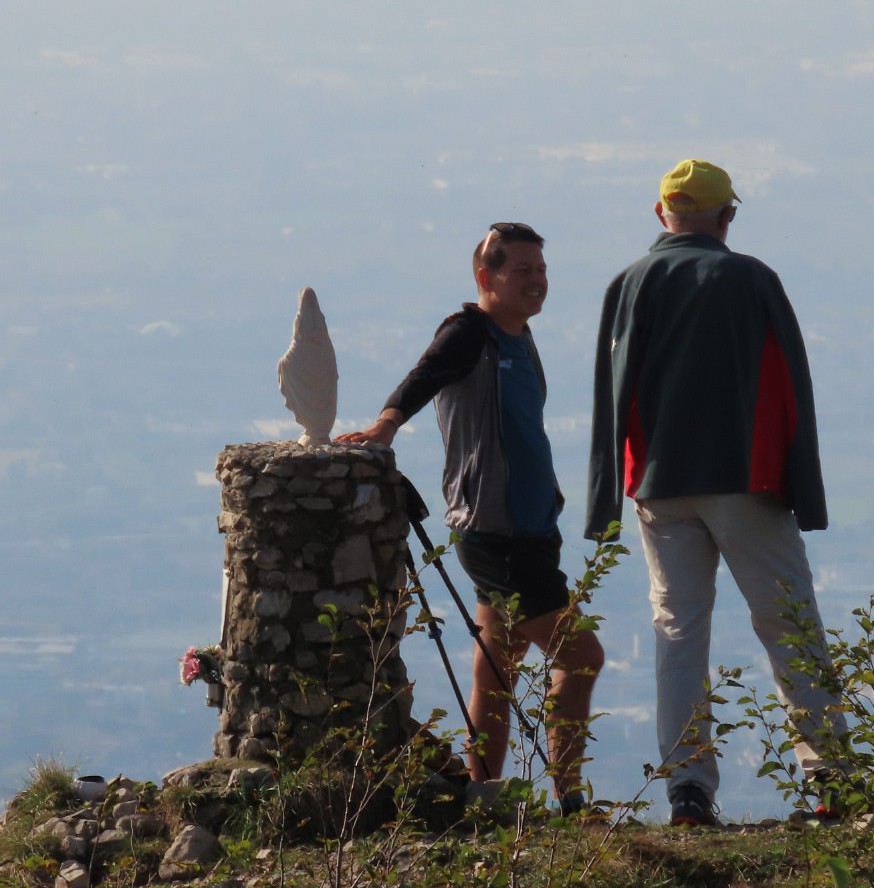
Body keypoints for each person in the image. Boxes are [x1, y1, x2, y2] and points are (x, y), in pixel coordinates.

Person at [586, 160, 848, 827]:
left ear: (659, 214)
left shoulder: (629, 283)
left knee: (677, 633)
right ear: (727, 217)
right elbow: (790, 385)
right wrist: (804, 490)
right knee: (789, 624)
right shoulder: (750, 278)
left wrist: (607, 497)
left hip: (657, 485)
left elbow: (610, 393)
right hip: (745, 477)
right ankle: (833, 780)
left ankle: (687, 792)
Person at [338, 222, 604, 816]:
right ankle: (572, 800)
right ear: (487, 278)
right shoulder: (469, 334)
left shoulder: (520, 336)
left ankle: (482, 798)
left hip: (530, 529)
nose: (536, 282)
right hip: (496, 531)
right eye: (522, 271)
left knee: (497, 665)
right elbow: (424, 375)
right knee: (581, 656)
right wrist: (385, 424)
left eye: (541, 270)